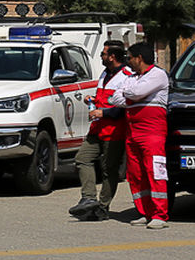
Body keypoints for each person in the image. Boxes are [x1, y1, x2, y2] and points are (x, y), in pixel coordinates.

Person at [68, 42, 133, 221]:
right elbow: (107, 98)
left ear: (112, 56)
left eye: (104, 54)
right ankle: (89, 198)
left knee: (109, 170)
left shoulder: (127, 76)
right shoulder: (105, 73)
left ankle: (102, 207)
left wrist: (102, 111)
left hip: (114, 131)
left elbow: (125, 106)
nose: (101, 57)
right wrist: (94, 100)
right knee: (82, 158)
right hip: (97, 127)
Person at [112, 41, 170, 229]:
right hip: (133, 132)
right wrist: (129, 94)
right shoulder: (134, 77)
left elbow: (135, 93)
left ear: (139, 58)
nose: (128, 61)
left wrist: (127, 93)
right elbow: (115, 97)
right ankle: (145, 212)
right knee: (136, 174)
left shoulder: (158, 75)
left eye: (130, 58)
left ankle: (160, 214)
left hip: (152, 133)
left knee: (155, 172)